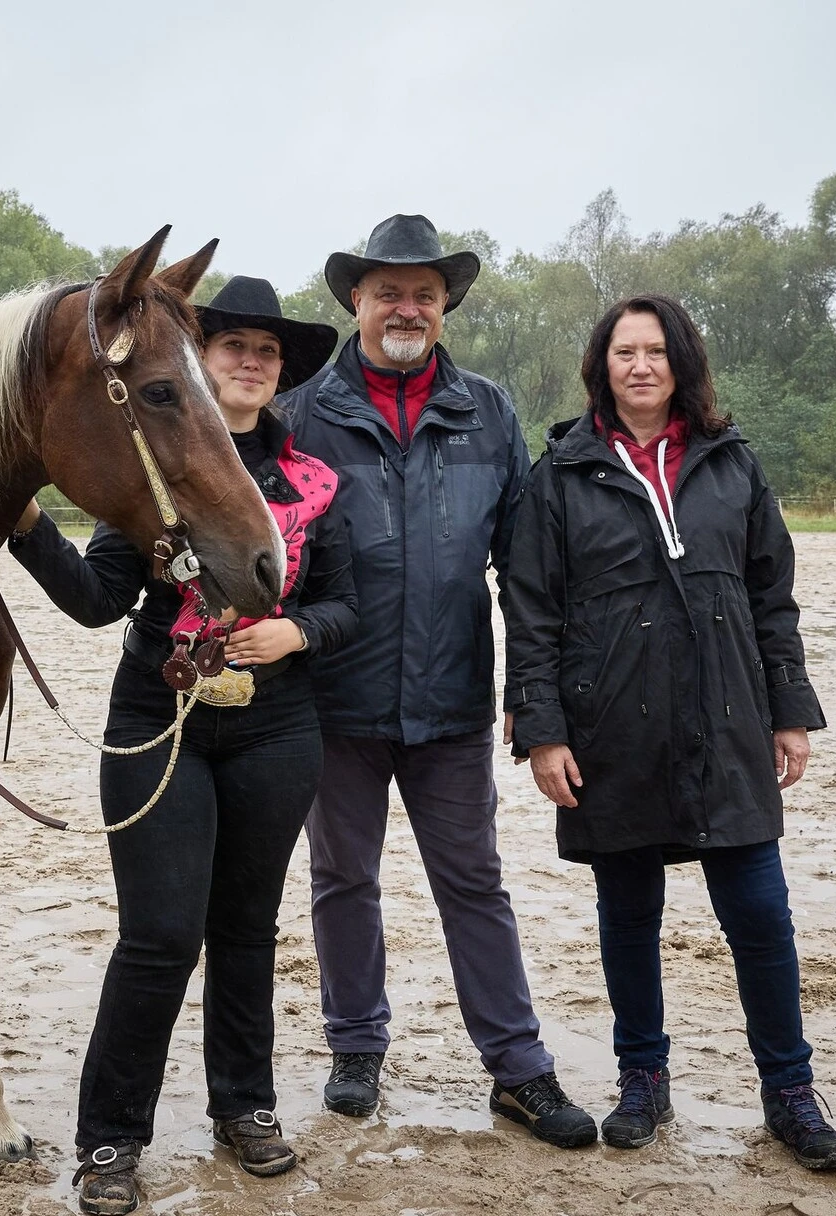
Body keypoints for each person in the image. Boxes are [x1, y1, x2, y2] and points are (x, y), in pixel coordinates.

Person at [7, 276, 356, 1215]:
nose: (250, 361)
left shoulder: (311, 479)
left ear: (280, 375)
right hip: (158, 722)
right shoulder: (151, 467)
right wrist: (22, 517)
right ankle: (112, 1137)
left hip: (278, 726)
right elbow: (94, 599)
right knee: (159, 937)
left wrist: (301, 632)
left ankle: (243, 1108)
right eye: (232, 346)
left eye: (267, 352)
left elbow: (352, 601)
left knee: (246, 932)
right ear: (198, 363)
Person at [503, 293, 836, 1171]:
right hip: (610, 728)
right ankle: (643, 1082)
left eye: (657, 351)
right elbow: (532, 612)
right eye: (624, 352)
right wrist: (542, 732)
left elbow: (773, 596)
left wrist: (791, 711)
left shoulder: (732, 464)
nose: (641, 366)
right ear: (602, 366)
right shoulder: (563, 474)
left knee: (761, 917)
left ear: (682, 363)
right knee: (628, 917)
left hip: (729, 721)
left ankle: (790, 1094)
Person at [283, 214, 596, 1148]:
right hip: (333, 702)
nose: (405, 308)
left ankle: (518, 1068)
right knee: (344, 879)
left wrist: (533, 702)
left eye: (423, 292)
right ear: (356, 300)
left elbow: (529, 575)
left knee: (475, 884)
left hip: (456, 704)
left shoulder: (489, 413)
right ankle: (355, 1047)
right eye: (388, 292)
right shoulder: (301, 411)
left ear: (445, 305)